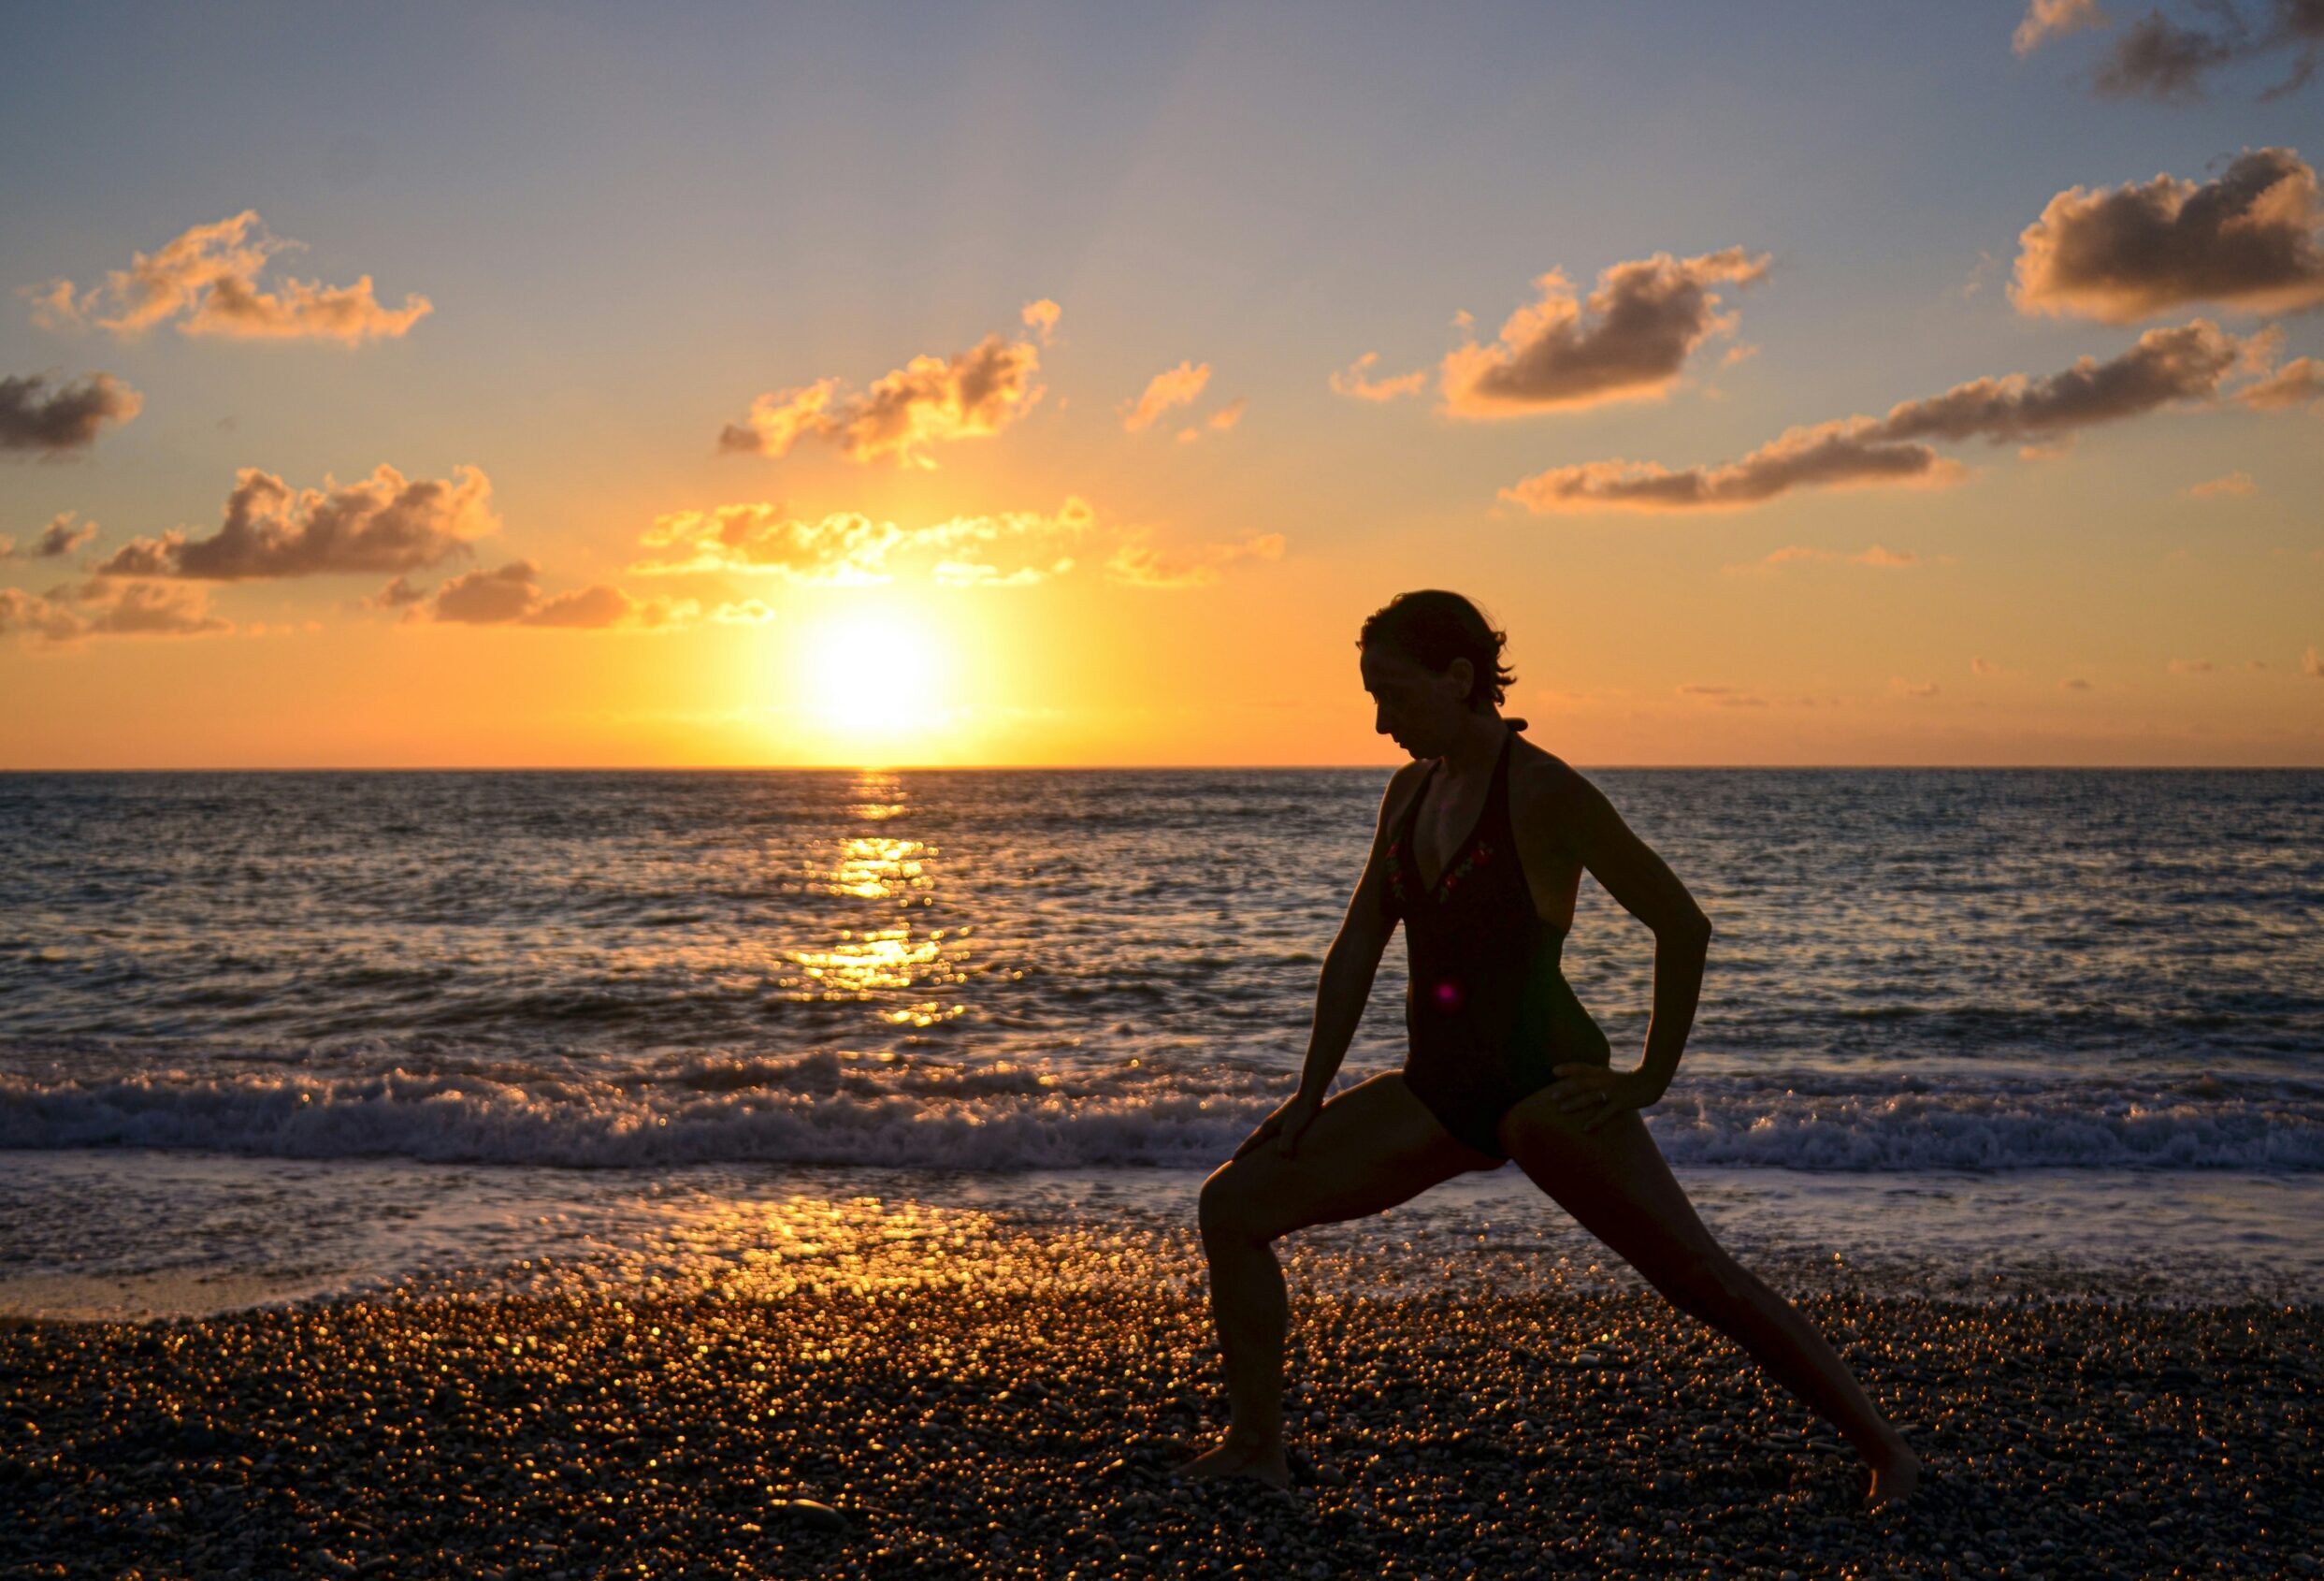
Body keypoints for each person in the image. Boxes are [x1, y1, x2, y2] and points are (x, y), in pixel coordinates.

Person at [1172, 589, 1921, 1509]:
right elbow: (1359, 940)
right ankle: (1256, 1446)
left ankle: (1888, 1451)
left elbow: (1680, 924)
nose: (1379, 722)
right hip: (1435, 1090)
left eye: (1393, 696)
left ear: (1459, 678)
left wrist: (1646, 1077)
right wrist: (1307, 1094)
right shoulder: (1407, 791)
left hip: (1543, 1088)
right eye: (1370, 698)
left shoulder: (1545, 792)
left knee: (1696, 1276)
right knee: (1232, 1206)